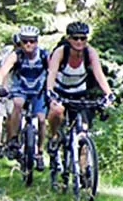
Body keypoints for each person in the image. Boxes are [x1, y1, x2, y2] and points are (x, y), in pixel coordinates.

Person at [46, 21, 114, 170]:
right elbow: (52, 72)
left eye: (83, 38)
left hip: (79, 92)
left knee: (83, 130)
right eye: (75, 38)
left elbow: (99, 74)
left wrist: (108, 93)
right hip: (59, 91)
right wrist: (50, 91)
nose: (79, 42)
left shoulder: (90, 52)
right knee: (57, 111)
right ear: (68, 39)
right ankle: (54, 136)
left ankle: (83, 173)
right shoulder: (61, 52)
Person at [0, 26, 50, 169]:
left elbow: (53, 70)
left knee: (41, 119)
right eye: (25, 41)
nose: (28, 44)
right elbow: (3, 71)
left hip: (38, 90)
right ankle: (13, 140)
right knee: (17, 105)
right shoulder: (16, 55)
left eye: (32, 41)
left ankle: (40, 152)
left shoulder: (44, 55)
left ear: (37, 41)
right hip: (21, 89)